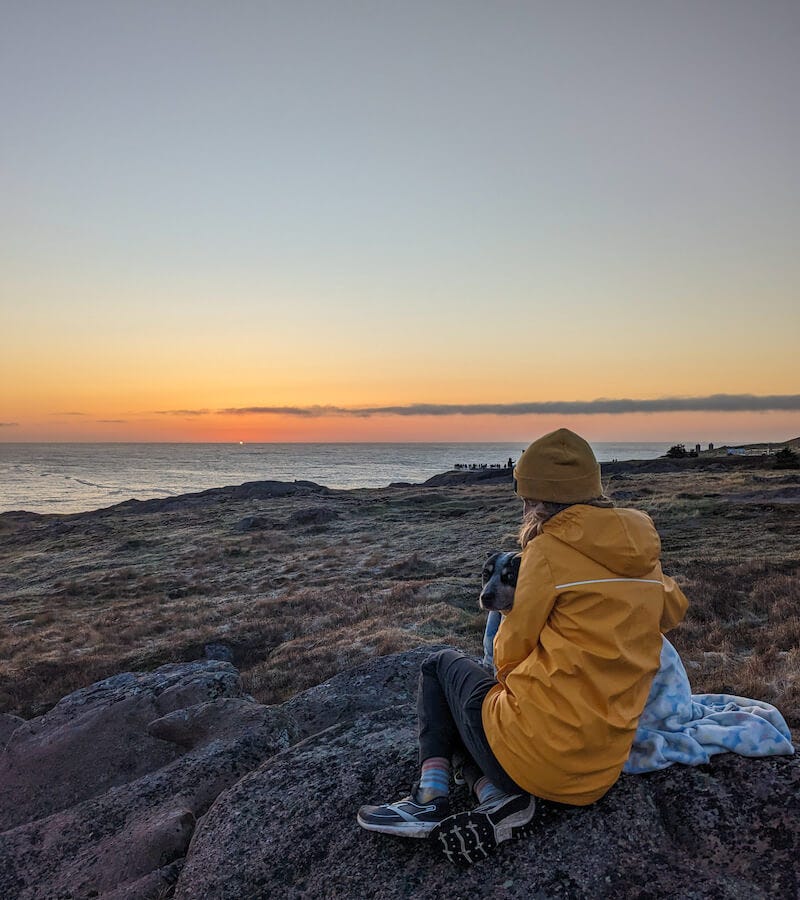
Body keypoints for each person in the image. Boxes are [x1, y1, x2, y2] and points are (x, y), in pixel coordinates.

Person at [357, 428, 689, 864]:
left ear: (533, 497)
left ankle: (429, 798)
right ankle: (494, 797)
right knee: (471, 713)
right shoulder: (642, 550)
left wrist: (511, 679)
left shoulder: (546, 551)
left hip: (536, 757)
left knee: (439, 667)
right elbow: (672, 610)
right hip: (596, 773)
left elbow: (508, 651)